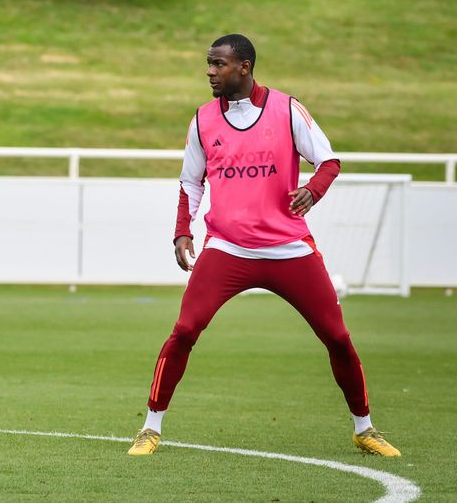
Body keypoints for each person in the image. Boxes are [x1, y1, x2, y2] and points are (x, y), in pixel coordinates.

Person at [127, 34, 399, 457]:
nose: (210, 71)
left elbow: (328, 161)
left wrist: (314, 190)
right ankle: (150, 427)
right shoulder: (202, 119)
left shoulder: (286, 109)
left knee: (337, 337)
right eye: (209, 63)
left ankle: (364, 428)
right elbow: (189, 182)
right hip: (227, 249)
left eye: (218, 64)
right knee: (184, 330)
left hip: (288, 247)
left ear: (244, 67)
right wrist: (183, 231)